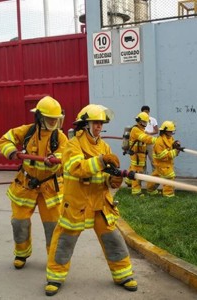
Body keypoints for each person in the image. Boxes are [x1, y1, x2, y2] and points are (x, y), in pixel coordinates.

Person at [45, 104, 137, 296]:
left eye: (101, 123)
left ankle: (123, 275)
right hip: (77, 204)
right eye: (95, 123)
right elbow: (76, 168)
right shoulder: (73, 144)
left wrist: (113, 179)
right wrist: (102, 161)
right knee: (64, 241)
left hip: (100, 204)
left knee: (113, 238)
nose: (99, 127)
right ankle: (55, 277)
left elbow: (104, 177)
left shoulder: (103, 146)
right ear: (85, 124)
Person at [0, 96, 68, 270]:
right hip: (26, 185)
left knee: (53, 226)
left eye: (55, 119)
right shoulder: (27, 131)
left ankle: (54, 259)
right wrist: (12, 151)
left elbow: (66, 155)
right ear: (39, 117)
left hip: (49, 188)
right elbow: (4, 140)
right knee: (19, 222)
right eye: (50, 118)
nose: (53, 122)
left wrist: (55, 159)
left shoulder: (60, 137)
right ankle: (21, 253)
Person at [146, 121, 184, 198]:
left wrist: (176, 144)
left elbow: (171, 144)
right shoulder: (159, 141)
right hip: (162, 164)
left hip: (165, 164)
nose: (171, 133)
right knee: (169, 177)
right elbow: (161, 155)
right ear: (165, 131)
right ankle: (168, 195)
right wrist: (175, 151)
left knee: (155, 177)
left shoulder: (169, 138)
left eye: (172, 131)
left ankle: (151, 190)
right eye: (170, 131)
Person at [126, 111, 157, 196]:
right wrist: (156, 140)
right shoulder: (136, 130)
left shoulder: (141, 129)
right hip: (137, 155)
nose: (145, 123)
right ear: (139, 121)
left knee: (133, 168)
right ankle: (136, 191)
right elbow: (144, 138)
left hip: (140, 154)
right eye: (144, 122)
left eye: (146, 122)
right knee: (137, 172)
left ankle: (128, 180)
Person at [141, 105, 158, 173]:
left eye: (147, 112)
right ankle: (143, 176)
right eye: (144, 112)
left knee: (153, 159)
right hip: (142, 142)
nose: (146, 114)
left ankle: (155, 176)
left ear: (149, 112)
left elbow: (156, 131)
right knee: (142, 161)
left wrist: (149, 133)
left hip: (150, 142)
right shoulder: (140, 120)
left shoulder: (153, 120)